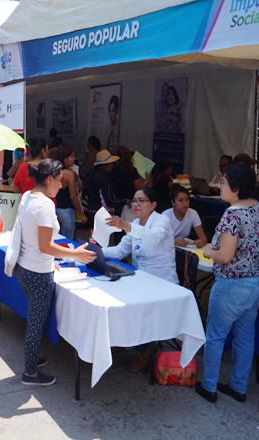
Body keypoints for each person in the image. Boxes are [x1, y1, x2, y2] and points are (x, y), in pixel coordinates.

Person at [14, 159, 96, 385]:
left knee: (34, 320)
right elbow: (45, 245)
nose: (61, 186)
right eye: (60, 181)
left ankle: (32, 359)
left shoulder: (28, 196)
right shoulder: (45, 205)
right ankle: (30, 372)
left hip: (26, 267)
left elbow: (35, 241)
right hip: (37, 272)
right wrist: (75, 255)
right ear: (49, 179)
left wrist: (51, 260)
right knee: (35, 323)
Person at [196, 163, 259, 403]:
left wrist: (208, 250)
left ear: (235, 189)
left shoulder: (232, 214)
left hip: (233, 285)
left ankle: (209, 387)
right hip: (257, 284)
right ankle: (238, 387)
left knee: (215, 335)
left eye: (223, 182)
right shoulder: (257, 208)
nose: (219, 186)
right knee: (245, 335)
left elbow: (225, 255)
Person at [104, 187, 179, 372]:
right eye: (134, 200)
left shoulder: (162, 221)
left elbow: (153, 238)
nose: (135, 204)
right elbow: (120, 251)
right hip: (141, 280)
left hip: (162, 283)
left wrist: (126, 226)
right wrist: (96, 251)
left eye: (140, 201)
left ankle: (142, 349)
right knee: (117, 300)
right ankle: (125, 339)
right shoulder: (135, 222)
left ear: (153, 205)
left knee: (135, 306)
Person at [81, 149, 126, 219]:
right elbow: (109, 200)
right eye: (110, 163)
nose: (112, 165)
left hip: (90, 208)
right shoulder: (104, 178)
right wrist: (125, 201)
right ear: (105, 165)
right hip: (101, 211)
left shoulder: (92, 173)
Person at [55, 144, 87, 239]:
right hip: (66, 211)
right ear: (65, 159)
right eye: (71, 156)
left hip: (54, 208)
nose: (74, 159)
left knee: (56, 240)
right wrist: (81, 214)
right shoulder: (69, 174)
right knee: (68, 241)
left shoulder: (53, 170)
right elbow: (73, 196)